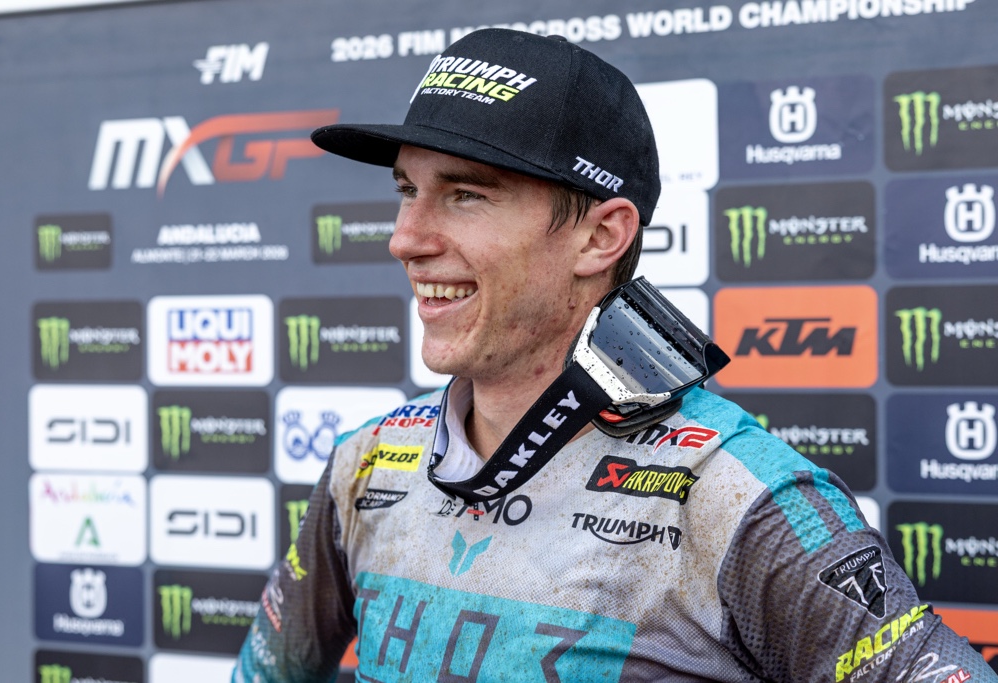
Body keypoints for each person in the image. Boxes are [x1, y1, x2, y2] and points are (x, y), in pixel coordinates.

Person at [234, 28, 996, 683]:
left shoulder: (735, 494)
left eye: (465, 194)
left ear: (601, 236)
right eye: (408, 190)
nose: (406, 238)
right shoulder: (370, 462)